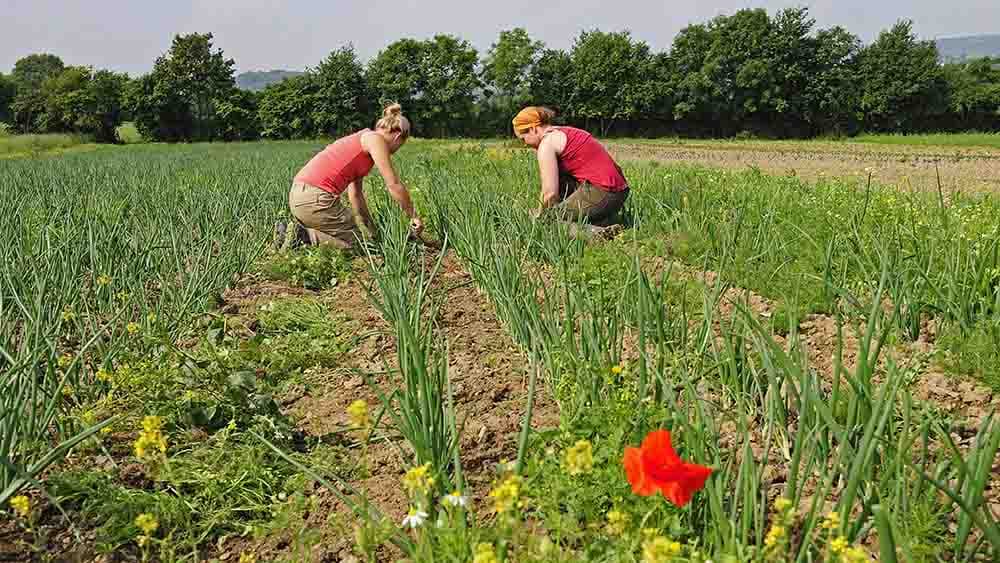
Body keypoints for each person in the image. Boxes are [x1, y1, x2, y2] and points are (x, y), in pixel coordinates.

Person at [277, 103, 423, 249]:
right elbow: (394, 185)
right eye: (400, 145)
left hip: (300, 196)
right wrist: (413, 215)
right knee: (359, 247)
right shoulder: (375, 140)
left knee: (362, 242)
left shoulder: (362, 141)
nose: (395, 151)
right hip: (316, 200)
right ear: (398, 137)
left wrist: (374, 231)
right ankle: (302, 236)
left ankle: (293, 235)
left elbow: (356, 196)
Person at [512, 106, 629, 238]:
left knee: (546, 222)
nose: (524, 144)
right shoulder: (564, 131)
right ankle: (603, 222)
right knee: (558, 195)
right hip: (618, 191)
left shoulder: (547, 144)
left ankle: (596, 234)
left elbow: (549, 193)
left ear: (533, 129)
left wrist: (540, 215)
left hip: (604, 191)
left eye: (523, 138)